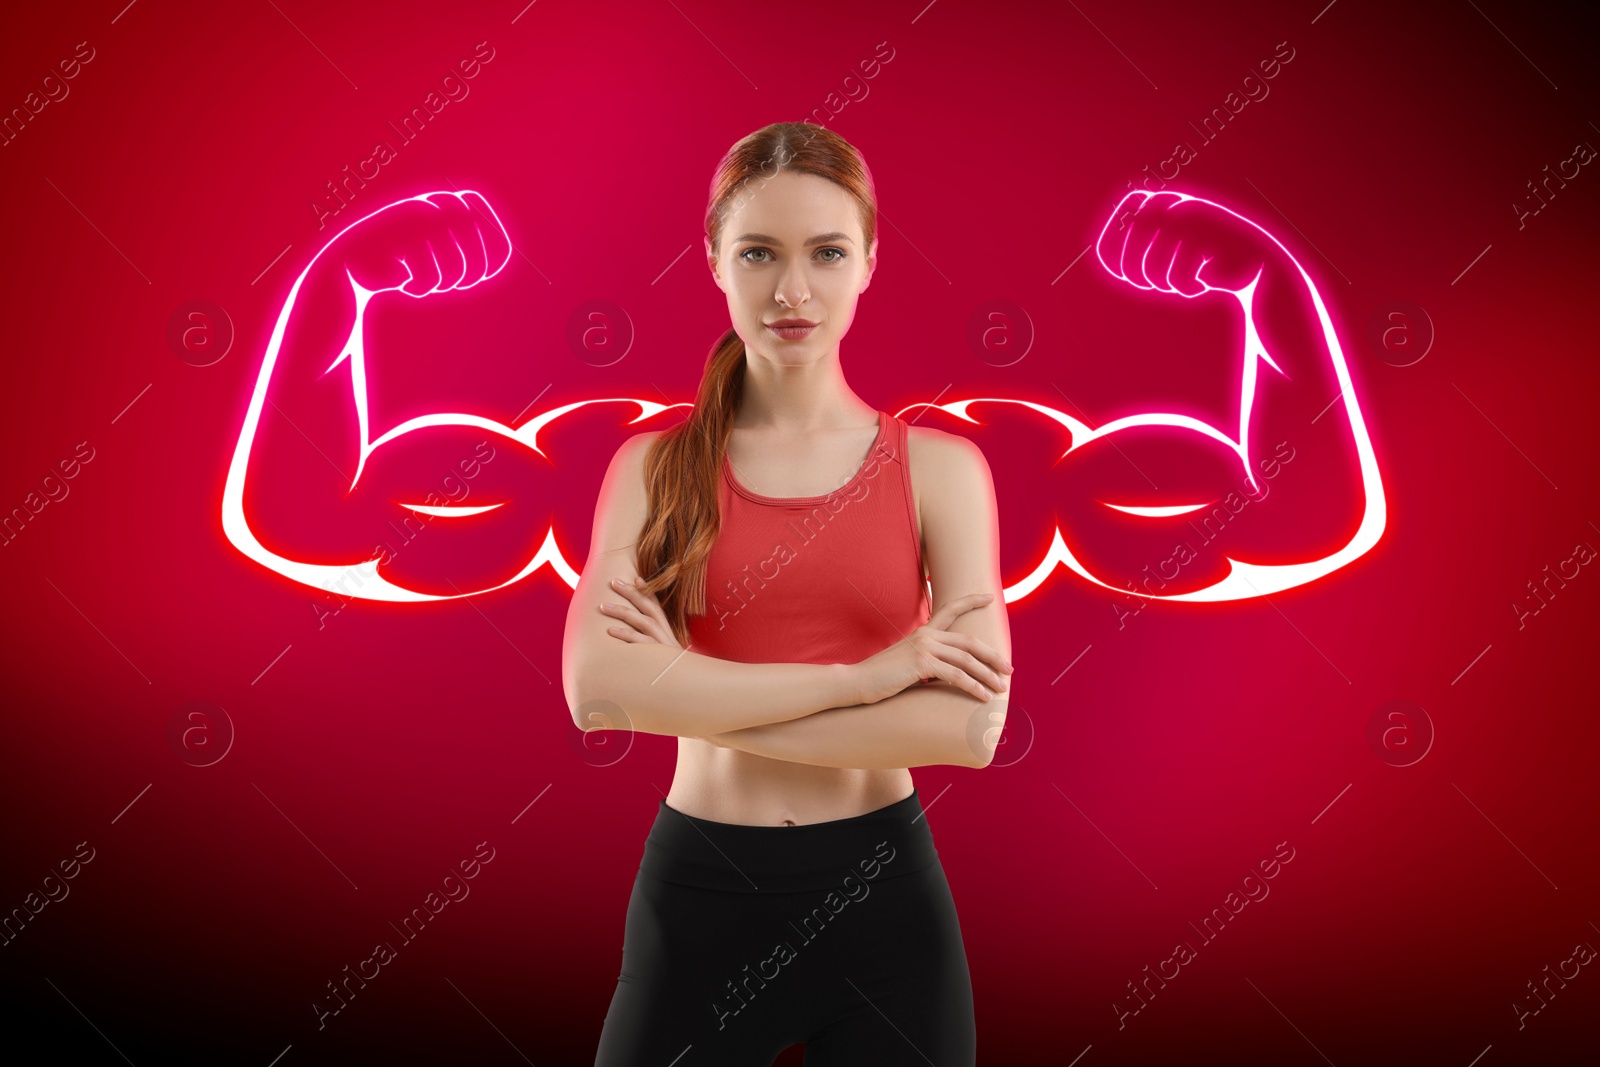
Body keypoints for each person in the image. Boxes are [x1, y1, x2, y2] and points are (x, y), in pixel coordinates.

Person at [561, 122, 1014, 1066]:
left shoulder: (941, 469)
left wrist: (680, 690)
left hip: (883, 904)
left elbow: (966, 730)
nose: (793, 291)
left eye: (827, 252)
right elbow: (595, 689)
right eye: (760, 252)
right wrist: (870, 678)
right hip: (697, 899)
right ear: (715, 261)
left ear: (870, 262)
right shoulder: (651, 466)